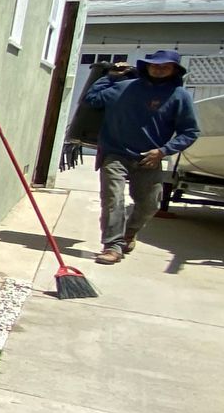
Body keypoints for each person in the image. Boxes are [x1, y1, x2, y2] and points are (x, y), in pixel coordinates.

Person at [81, 49, 200, 265]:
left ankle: (130, 232)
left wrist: (163, 151)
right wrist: (109, 76)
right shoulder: (123, 88)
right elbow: (92, 99)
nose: (159, 68)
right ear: (146, 67)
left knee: (150, 204)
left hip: (150, 157)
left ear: (174, 70)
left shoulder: (179, 96)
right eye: (154, 65)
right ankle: (112, 245)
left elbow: (190, 131)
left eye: (165, 66)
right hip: (115, 153)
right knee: (112, 199)